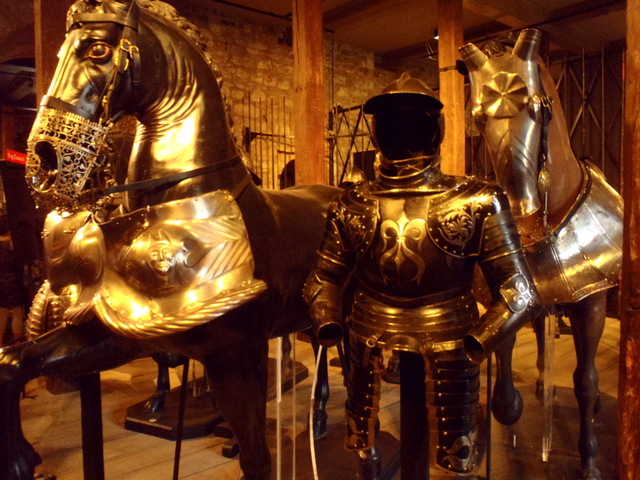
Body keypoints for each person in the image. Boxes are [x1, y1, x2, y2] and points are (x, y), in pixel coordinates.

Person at [304, 72, 541, 478]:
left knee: (452, 448)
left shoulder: (475, 199)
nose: (401, 128)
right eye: (393, 119)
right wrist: (327, 319)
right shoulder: (352, 203)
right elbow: (322, 277)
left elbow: (519, 292)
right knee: (366, 432)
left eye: (410, 118)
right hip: (371, 330)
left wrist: (481, 339)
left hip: (449, 331)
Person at [0, 209, 26, 347]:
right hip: (13, 281)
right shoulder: (12, 243)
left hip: (1, 282)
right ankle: (18, 343)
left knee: (2, 313)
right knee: (17, 312)